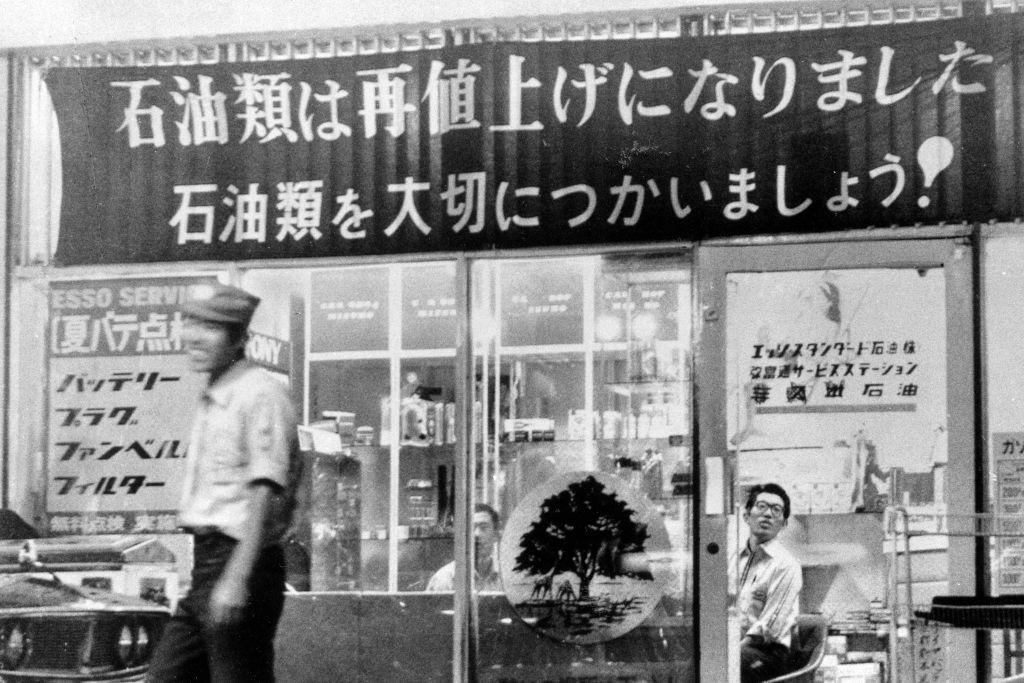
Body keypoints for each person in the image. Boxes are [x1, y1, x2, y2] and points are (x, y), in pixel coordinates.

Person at [147, 283, 300, 683]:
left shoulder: (260, 393)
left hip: (241, 562)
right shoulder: (216, 393)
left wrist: (236, 578)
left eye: (212, 327)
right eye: (191, 322)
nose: (195, 336)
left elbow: (264, 490)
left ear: (239, 340)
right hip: (208, 565)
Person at [732, 483, 802, 683]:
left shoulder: (787, 565)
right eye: (761, 506)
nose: (768, 514)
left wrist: (729, 651)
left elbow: (769, 628)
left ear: (784, 523)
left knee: (732, 664)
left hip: (768, 653)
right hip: (736, 645)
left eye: (776, 510)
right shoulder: (733, 560)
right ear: (746, 516)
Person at [426, 503, 502, 592]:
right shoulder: (445, 579)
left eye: (483, 527)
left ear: (496, 534)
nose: (477, 534)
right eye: (471, 528)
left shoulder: (507, 575)